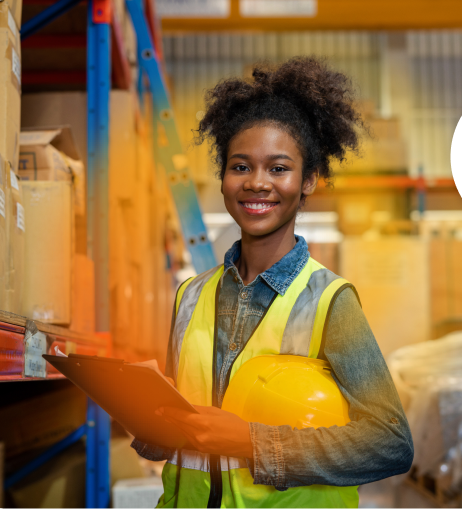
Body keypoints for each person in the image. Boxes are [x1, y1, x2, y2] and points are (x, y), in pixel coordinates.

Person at [132, 56, 413, 509]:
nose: (257, 183)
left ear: (308, 182)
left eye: (279, 168)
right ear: (223, 179)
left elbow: (390, 444)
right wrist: (150, 416)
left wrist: (253, 443)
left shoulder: (328, 301)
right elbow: (184, 433)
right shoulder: (191, 296)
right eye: (240, 167)